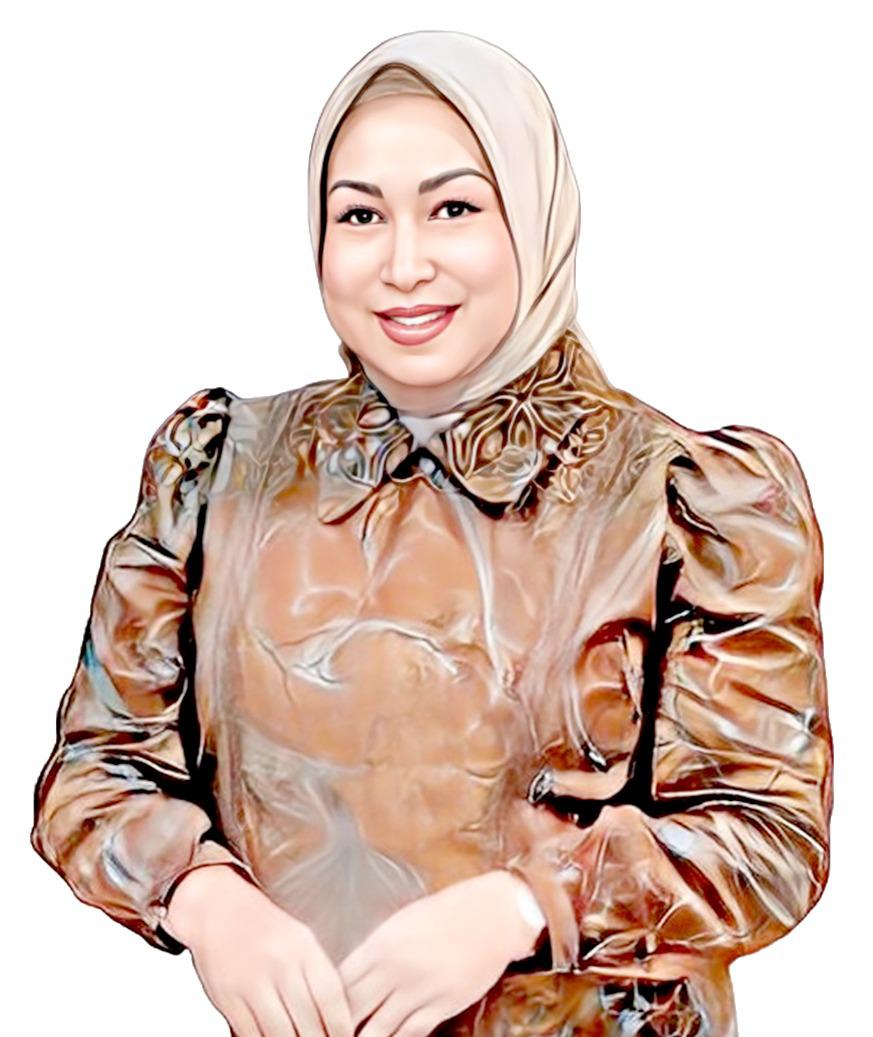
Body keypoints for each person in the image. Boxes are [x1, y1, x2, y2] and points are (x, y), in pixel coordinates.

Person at [30, 29, 833, 1037]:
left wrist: (526, 904)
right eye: (360, 215)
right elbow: (97, 770)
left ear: (533, 217)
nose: (403, 265)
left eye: (454, 208)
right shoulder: (221, 473)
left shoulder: (686, 499)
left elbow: (767, 837)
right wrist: (201, 893)